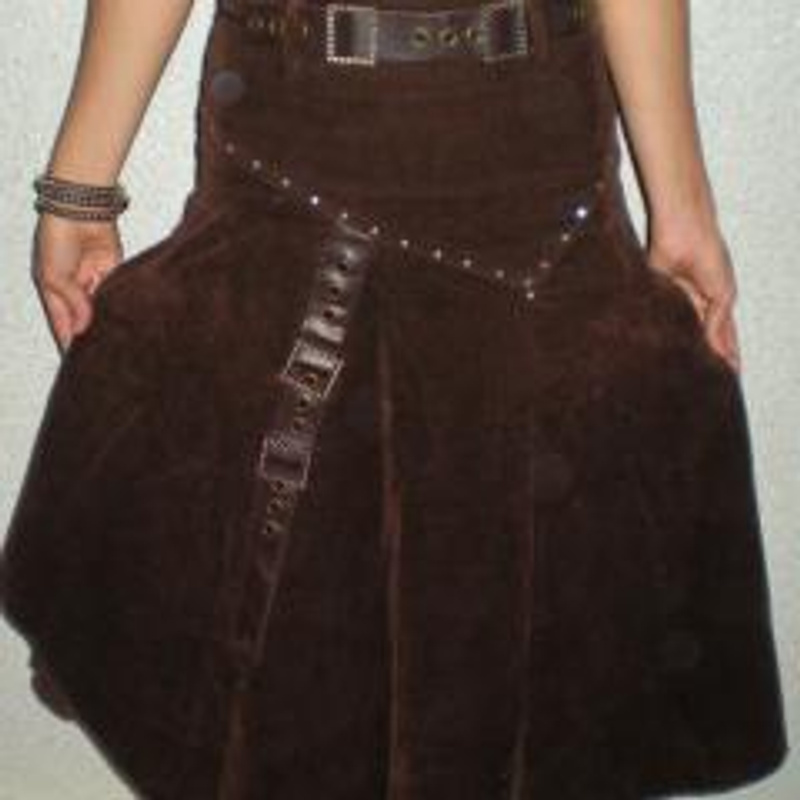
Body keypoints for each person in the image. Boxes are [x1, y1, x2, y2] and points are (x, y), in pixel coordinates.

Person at [0, 0, 788, 797]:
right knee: (294, 670)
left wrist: (683, 207)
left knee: (534, 672)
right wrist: (79, 187)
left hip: (539, 179)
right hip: (292, 158)